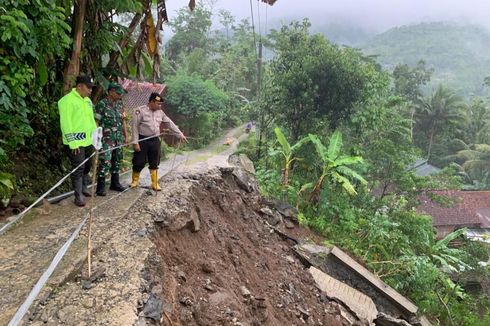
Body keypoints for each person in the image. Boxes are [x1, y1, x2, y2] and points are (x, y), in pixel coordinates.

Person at [130, 92, 186, 191]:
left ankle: (154, 183)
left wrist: (179, 134)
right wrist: (135, 142)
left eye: (160, 104)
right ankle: (135, 180)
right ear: (151, 102)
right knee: (139, 161)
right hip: (142, 139)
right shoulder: (140, 111)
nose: (160, 106)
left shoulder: (160, 112)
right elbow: (134, 127)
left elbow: (169, 123)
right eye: (158, 104)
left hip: (155, 140)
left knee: (155, 161)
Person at [58, 75, 97, 207]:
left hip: (88, 141)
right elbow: (65, 124)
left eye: (92, 88)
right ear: (79, 86)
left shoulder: (87, 101)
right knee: (78, 168)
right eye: (88, 87)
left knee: (87, 166)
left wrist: (96, 137)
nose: (90, 90)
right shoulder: (67, 101)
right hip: (76, 143)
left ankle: (84, 188)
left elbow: (91, 121)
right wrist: (72, 142)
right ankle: (78, 195)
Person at [94, 82, 128, 196]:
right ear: (111, 92)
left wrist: (126, 136)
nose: (120, 95)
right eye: (118, 93)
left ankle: (115, 183)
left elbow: (123, 121)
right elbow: (96, 122)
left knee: (117, 160)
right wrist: (96, 139)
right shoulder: (102, 104)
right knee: (105, 161)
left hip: (118, 138)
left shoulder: (119, 105)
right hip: (106, 139)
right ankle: (100, 187)